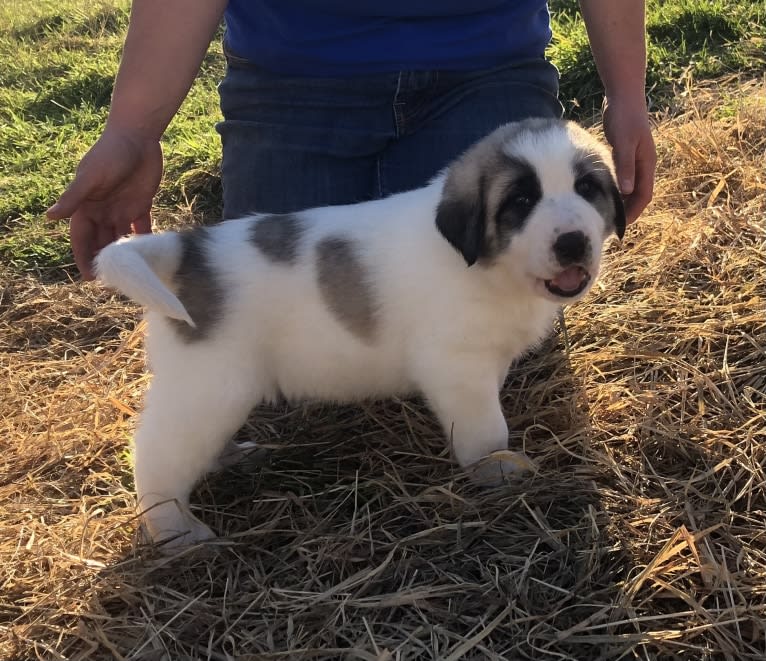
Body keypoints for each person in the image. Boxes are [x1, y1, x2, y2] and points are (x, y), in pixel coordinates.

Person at [47, 1, 656, 280]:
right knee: (279, 324)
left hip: (486, 68)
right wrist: (132, 128)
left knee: (494, 316)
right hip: (294, 81)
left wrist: (628, 94)